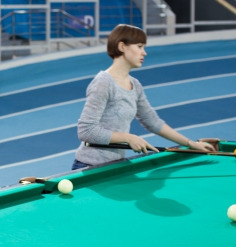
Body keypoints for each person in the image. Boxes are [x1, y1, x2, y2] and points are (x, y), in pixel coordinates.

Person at [73, 24, 214, 170]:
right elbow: (86, 131)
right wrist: (128, 138)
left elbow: (153, 122)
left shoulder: (135, 84)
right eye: (139, 46)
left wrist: (191, 144)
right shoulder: (103, 83)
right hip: (90, 165)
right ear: (122, 47)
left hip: (115, 165)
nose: (144, 53)